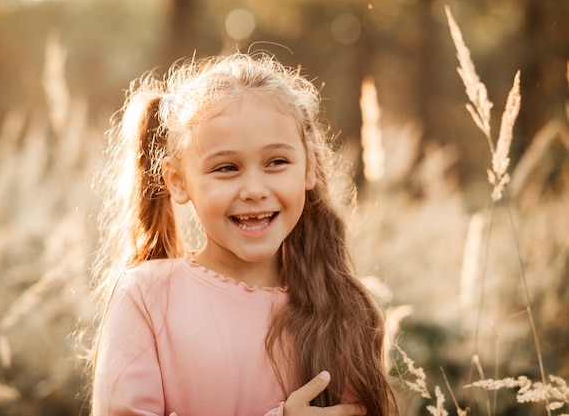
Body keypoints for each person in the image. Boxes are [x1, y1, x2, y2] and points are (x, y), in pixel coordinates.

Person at [90, 51, 397, 416]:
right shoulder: (146, 296)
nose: (254, 189)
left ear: (308, 167)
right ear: (177, 180)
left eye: (277, 162)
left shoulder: (340, 310)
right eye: (226, 167)